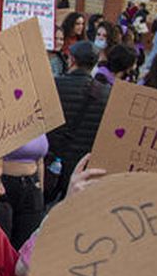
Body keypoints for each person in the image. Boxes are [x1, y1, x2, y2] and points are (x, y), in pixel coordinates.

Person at [46, 40, 110, 204]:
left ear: (72, 60)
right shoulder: (106, 94)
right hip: (82, 167)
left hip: (52, 162)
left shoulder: (54, 85)